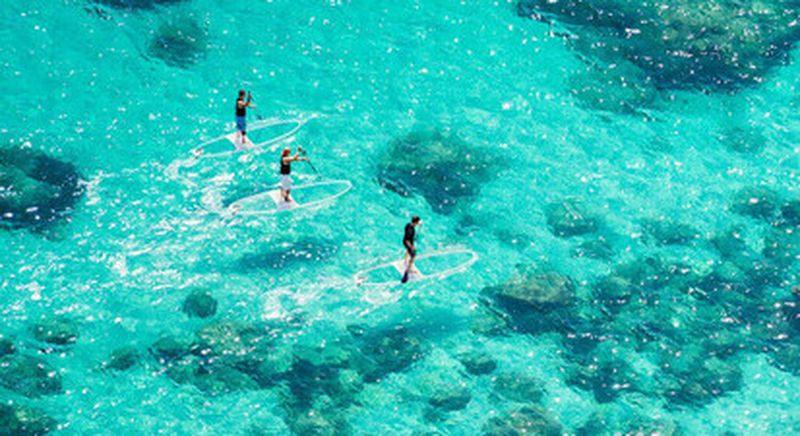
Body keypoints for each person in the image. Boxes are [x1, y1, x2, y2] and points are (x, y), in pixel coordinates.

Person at [401, 215, 422, 283]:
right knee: (413, 255)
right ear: (415, 222)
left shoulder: (409, 225)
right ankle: (408, 269)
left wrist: (419, 225)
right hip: (408, 242)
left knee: (408, 250)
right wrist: (411, 247)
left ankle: (405, 260)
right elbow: (407, 240)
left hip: (408, 241)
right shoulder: (410, 229)